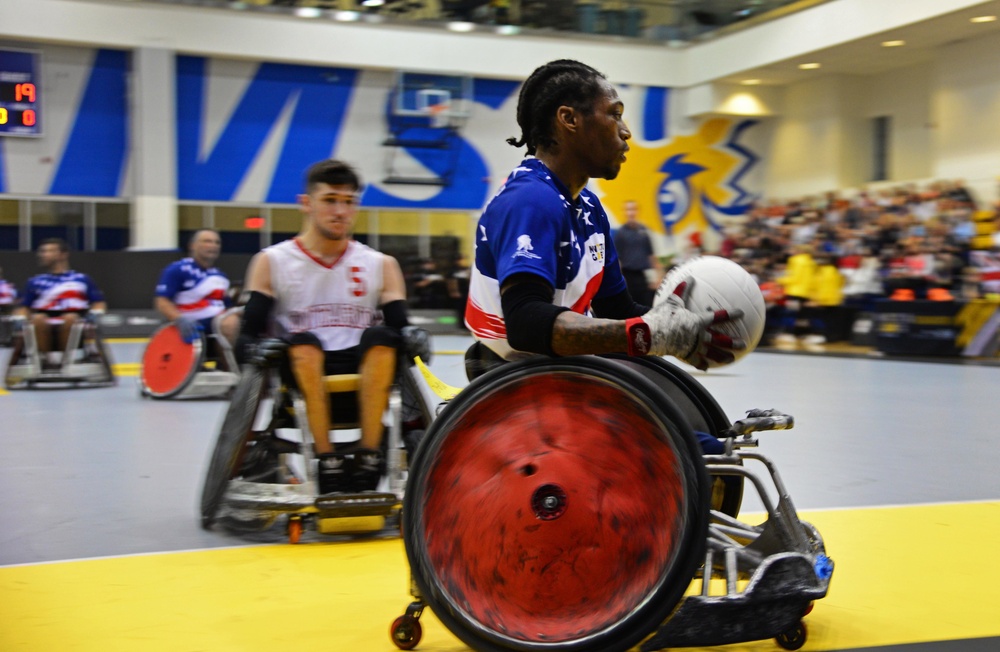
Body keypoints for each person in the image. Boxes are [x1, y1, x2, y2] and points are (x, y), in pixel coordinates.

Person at [464, 59, 743, 377]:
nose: (626, 132)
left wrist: (683, 324)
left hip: (556, 368)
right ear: (569, 119)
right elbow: (525, 323)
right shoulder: (530, 200)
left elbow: (617, 310)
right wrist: (649, 334)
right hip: (511, 375)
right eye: (615, 114)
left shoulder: (590, 209)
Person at [237, 159, 416, 495]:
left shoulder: (381, 264)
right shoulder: (271, 261)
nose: (341, 211)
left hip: (366, 380)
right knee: (303, 343)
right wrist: (253, 348)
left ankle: (368, 454)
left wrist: (413, 336)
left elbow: (402, 330)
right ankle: (325, 459)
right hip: (301, 381)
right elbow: (246, 335)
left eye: (349, 202)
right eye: (331, 200)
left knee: (383, 338)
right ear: (306, 204)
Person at [15, 238, 107, 366]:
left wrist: (96, 314)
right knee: (38, 319)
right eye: (43, 251)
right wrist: (19, 318)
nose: (44, 254)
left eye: (50, 251)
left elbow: (98, 302)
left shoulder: (82, 279)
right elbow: (24, 307)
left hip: (75, 324)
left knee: (70, 318)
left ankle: (66, 359)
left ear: (63, 255)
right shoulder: (34, 281)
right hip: (44, 322)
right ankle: (44, 359)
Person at [154, 228, 240, 350]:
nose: (213, 246)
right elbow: (162, 301)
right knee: (231, 322)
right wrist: (180, 320)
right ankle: (227, 367)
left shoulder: (221, 276)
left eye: (217, 242)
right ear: (192, 245)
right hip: (194, 324)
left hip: (218, 320)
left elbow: (227, 306)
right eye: (207, 241)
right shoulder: (178, 269)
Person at [613, 199, 661, 306]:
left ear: (637, 211)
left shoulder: (644, 231)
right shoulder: (620, 233)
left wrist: (658, 278)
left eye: (633, 209)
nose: (631, 212)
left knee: (648, 306)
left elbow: (651, 255)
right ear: (624, 212)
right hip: (629, 276)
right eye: (628, 210)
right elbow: (618, 260)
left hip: (644, 277)